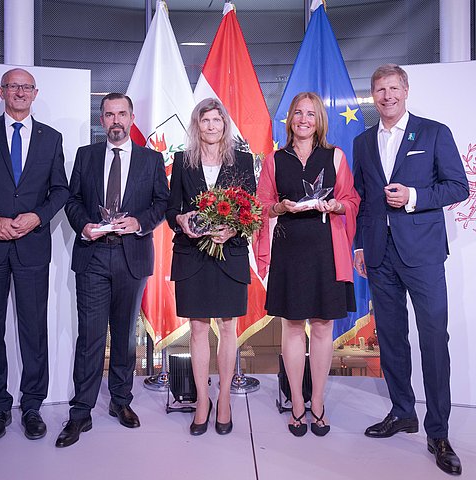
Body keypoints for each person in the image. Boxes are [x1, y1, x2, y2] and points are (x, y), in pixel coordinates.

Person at [353, 64, 469, 475]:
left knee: (434, 340)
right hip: (379, 255)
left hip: (423, 254)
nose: (387, 96)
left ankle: (439, 432)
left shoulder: (433, 132)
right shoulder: (363, 141)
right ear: (374, 96)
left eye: (393, 88)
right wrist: (361, 246)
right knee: (391, 339)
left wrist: (414, 196)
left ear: (405, 90)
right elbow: (363, 198)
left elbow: (458, 186)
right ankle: (403, 411)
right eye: (379, 90)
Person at [56, 93, 169, 448]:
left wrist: (139, 223)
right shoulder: (86, 156)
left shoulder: (151, 159)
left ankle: (120, 401)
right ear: (101, 119)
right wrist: (83, 226)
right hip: (92, 256)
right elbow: (72, 199)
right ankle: (81, 411)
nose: (115, 120)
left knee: (124, 335)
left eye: (122, 113)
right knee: (90, 336)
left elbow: (162, 203)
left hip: (131, 256)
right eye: (109, 114)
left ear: (131, 118)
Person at [256, 92, 360, 437]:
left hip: (325, 249)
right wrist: (280, 208)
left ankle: (318, 402)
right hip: (289, 249)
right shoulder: (275, 159)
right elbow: (262, 204)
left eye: (310, 114)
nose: (303, 119)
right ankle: (297, 403)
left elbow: (351, 200)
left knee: (322, 327)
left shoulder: (335, 156)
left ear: (319, 121)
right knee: (292, 326)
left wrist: (336, 206)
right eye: (298, 113)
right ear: (290, 119)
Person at [166, 98, 256, 436]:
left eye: (217, 120)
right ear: (197, 124)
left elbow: (251, 209)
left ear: (225, 124)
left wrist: (232, 228)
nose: (211, 126)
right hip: (192, 255)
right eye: (205, 120)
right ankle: (202, 401)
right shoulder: (182, 161)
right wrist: (181, 220)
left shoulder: (242, 160)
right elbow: (171, 209)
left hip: (230, 254)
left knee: (228, 327)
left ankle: (225, 399)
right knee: (198, 328)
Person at [0, 68, 69, 441]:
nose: (20, 92)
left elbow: (61, 190)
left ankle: (31, 407)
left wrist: (38, 216)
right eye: (13, 86)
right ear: (1, 92)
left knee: (33, 331)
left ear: (35, 93)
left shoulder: (51, 139)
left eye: (26, 87)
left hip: (33, 247)